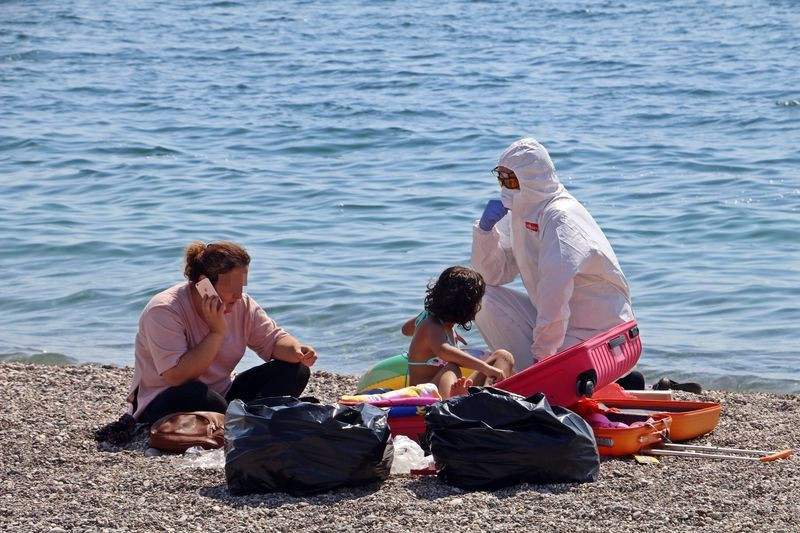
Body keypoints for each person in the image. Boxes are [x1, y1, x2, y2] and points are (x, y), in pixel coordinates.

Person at [471, 138, 636, 373]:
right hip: (562, 329)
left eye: (511, 179)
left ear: (532, 177)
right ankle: (524, 374)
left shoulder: (561, 217)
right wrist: (485, 232)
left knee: (545, 360)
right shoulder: (521, 211)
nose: (505, 187)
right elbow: (492, 274)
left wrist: (543, 356)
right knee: (480, 296)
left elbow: (555, 291)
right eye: (501, 179)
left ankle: (534, 376)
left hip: (603, 337)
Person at [126, 241, 318, 424]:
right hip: (166, 398)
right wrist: (217, 332)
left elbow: (273, 339)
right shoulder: (164, 310)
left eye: (241, 285)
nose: (238, 294)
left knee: (296, 370)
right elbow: (177, 377)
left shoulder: (241, 303)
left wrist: (298, 351)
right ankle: (247, 418)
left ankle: (240, 419)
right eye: (233, 286)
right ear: (204, 284)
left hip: (222, 395)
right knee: (195, 393)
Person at [401, 266, 514, 399]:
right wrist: (485, 368)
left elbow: (405, 330)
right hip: (426, 395)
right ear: (466, 305)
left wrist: (432, 338)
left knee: (503, 356)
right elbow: (444, 351)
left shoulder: (436, 324)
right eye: (477, 302)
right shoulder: (431, 324)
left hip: (447, 387)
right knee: (452, 368)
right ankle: (453, 402)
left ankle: (488, 396)